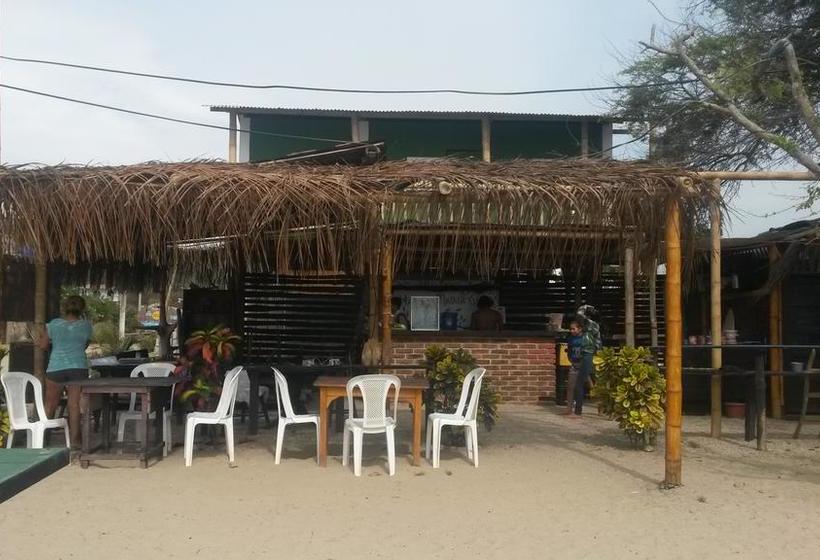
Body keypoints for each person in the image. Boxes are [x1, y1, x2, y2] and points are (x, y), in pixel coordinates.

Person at [35, 295, 92, 447]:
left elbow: (43, 345)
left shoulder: (53, 324)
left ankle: (42, 441)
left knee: (50, 405)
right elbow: (84, 345)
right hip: (78, 368)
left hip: (56, 368)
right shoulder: (86, 325)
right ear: (82, 309)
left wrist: (42, 339)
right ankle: (76, 442)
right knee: (74, 405)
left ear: (64, 308)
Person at [570, 305, 602, 418]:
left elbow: (579, 313)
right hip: (590, 355)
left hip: (587, 355)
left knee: (579, 384)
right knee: (592, 384)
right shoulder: (594, 326)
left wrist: (585, 307)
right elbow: (598, 343)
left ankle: (578, 412)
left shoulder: (589, 325)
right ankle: (602, 409)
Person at [562, 317, 584, 415]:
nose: (572, 331)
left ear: (580, 329)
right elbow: (569, 350)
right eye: (570, 329)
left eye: (573, 329)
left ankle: (600, 406)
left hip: (584, 365)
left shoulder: (585, 338)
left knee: (591, 386)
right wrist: (570, 359)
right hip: (574, 364)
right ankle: (569, 408)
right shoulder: (571, 339)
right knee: (570, 386)